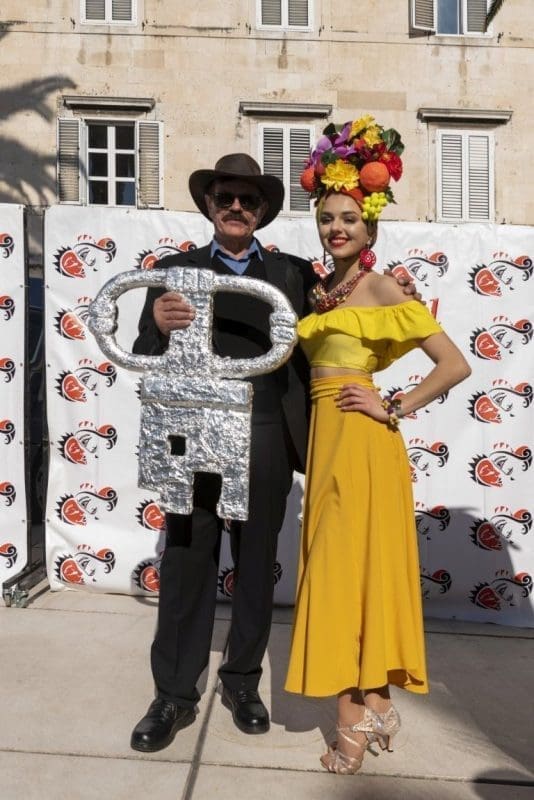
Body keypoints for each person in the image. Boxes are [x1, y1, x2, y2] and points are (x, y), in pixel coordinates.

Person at [129, 151, 418, 753]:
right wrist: (156, 319)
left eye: (248, 199)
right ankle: (173, 694)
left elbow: (344, 320)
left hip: (265, 434)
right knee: (185, 561)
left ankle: (241, 682)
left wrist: (399, 293)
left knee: (257, 564)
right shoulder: (174, 270)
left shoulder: (295, 274)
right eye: (225, 197)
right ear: (209, 205)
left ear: (261, 211)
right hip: (192, 436)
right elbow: (144, 350)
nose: (236, 207)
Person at [284, 116, 471, 775]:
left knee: (342, 579)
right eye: (327, 219)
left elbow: (454, 364)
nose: (336, 228)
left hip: (364, 447)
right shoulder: (321, 292)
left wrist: (392, 405)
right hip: (327, 448)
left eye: (349, 220)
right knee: (348, 576)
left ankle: (352, 724)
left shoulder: (383, 286)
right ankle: (379, 704)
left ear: (370, 229)